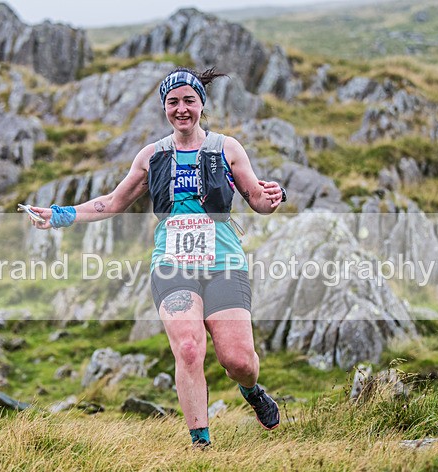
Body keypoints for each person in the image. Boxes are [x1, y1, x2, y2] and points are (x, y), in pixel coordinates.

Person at [30, 67, 287, 448]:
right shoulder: (152, 156)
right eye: (173, 102)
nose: (181, 109)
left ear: (201, 104)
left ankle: (252, 392)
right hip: (172, 265)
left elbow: (257, 201)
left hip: (224, 263)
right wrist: (61, 214)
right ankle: (201, 444)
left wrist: (273, 197)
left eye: (189, 101)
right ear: (164, 107)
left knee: (239, 362)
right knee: (187, 348)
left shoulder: (226, 148)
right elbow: (112, 203)